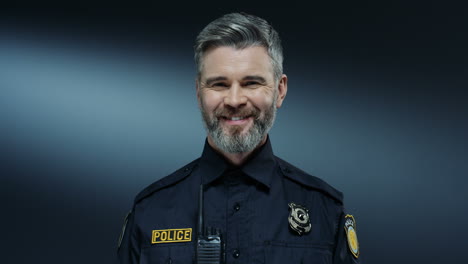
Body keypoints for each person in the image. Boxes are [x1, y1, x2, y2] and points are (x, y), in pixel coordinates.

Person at [117, 12, 360, 264]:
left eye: (251, 83)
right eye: (219, 84)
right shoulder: (150, 211)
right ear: (199, 93)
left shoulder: (325, 210)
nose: (234, 101)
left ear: (279, 90)